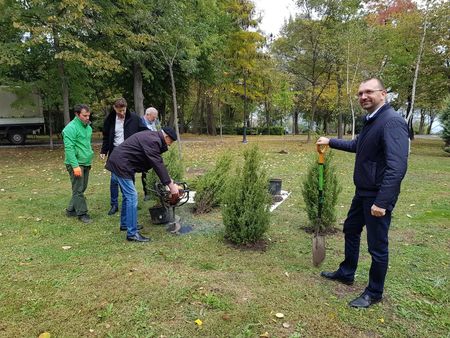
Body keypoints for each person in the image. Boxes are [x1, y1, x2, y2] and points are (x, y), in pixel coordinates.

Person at [316, 77, 409, 308]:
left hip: (377, 196)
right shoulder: (372, 120)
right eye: (360, 93)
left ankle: (374, 292)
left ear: (383, 94)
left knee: (377, 246)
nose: (363, 97)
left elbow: (397, 166)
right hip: (363, 192)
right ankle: (347, 272)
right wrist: (330, 141)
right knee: (351, 228)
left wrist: (382, 202)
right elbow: (359, 146)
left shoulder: (391, 121)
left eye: (368, 92)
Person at [105, 127, 180, 242]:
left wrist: (168, 181)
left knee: (127, 196)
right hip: (122, 164)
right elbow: (157, 164)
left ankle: (125, 224)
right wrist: (171, 187)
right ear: (166, 137)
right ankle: (132, 233)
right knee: (132, 196)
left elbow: (156, 163)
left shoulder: (152, 137)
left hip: (123, 162)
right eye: (170, 142)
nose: (169, 146)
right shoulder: (153, 141)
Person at [100, 98, 143, 215]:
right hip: (115, 152)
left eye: (124, 110)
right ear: (114, 108)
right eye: (119, 111)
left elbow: (144, 131)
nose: (122, 113)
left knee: (130, 178)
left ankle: (130, 202)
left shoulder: (134, 118)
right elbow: (105, 136)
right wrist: (104, 150)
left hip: (130, 154)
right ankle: (114, 205)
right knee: (114, 180)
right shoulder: (109, 120)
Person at [63, 104, 94, 224]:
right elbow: (69, 149)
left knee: (81, 187)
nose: (87, 118)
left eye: (88, 115)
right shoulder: (70, 129)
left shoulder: (88, 127)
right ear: (77, 114)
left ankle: (71, 209)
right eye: (84, 115)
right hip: (76, 163)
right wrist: (75, 166)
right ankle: (82, 213)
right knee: (78, 189)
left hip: (86, 161)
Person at [141, 107, 160, 201]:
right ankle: (147, 193)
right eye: (153, 117)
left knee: (155, 171)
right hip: (145, 151)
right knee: (145, 172)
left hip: (154, 150)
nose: (155, 119)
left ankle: (155, 191)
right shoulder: (141, 123)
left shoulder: (154, 123)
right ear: (148, 115)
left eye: (156, 117)